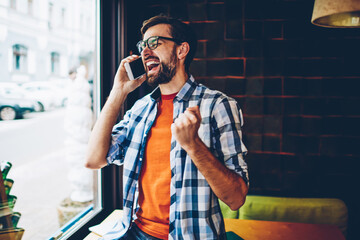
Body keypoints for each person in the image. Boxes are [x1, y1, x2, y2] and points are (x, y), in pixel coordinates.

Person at [86, 15, 249, 240]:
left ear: (181, 50)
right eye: (143, 45)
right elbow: (94, 160)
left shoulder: (217, 106)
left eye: (155, 43)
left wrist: (193, 145)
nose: (144, 52)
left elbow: (236, 198)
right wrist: (118, 92)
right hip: (134, 232)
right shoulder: (140, 109)